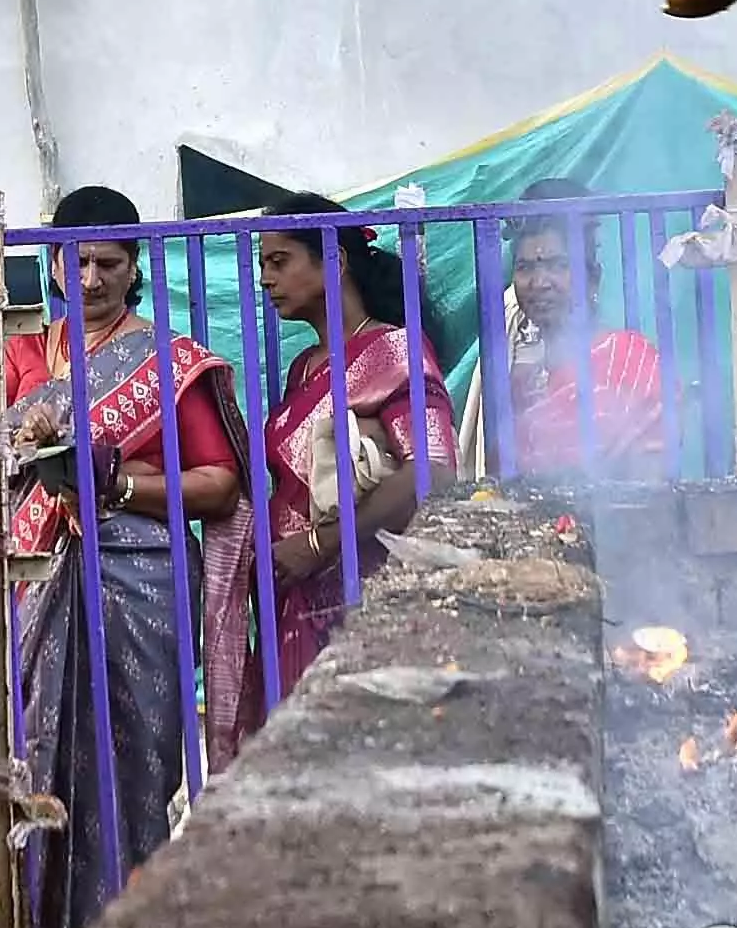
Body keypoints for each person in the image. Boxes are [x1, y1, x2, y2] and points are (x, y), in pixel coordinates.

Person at [0, 189, 255, 928]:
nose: (90, 278)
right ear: (51, 264)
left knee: (138, 768)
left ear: (135, 265)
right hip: (40, 576)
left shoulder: (167, 361)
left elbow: (218, 484)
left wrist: (119, 486)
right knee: (36, 765)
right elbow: (1, 473)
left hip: (140, 576)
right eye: (75, 261)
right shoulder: (18, 356)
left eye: (107, 262)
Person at [257, 190, 446, 690]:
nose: (265, 279)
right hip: (298, 600)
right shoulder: (303, 367)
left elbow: (432, 470)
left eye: (279, 261)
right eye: (262, 264)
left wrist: (320, 543)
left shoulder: (394, 349)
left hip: (365, 598)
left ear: (334, 260)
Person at [462, 178, 666, 476]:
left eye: (558, 265)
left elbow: (652, 479)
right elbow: (501, 484)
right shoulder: (523, 383)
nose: (539, 283)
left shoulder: (630, 359)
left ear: (592, 278)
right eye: (525, 267)